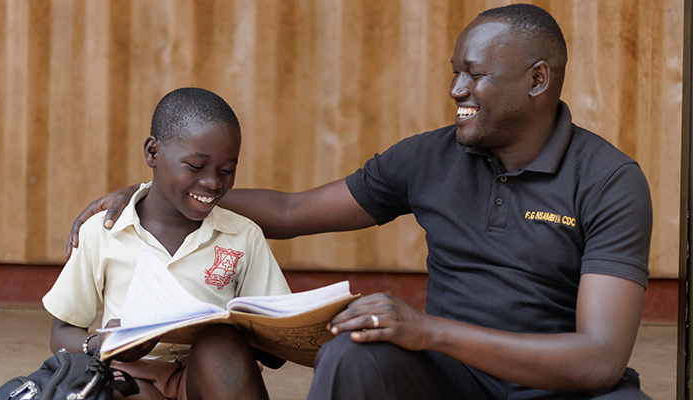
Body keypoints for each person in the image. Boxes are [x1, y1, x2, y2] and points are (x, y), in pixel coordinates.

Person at [66, 4, 652, 399]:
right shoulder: (430, 156)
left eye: (473, 75)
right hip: (449, 379)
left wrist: (430, 331)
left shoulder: (608, 180)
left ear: (537, 79)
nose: (456, 90)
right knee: (353, 353)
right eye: (455, 73)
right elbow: (295, 213)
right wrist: (163, 198)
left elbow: (599, 358)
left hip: (556, 382)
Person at [45, 87, 291, 400]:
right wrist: (104, 344)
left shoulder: (243, 236)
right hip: (130, 377)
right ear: (152, 153)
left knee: (219, 345)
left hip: (206, 381)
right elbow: (61, 331)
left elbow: (277, 349)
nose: (214, 182)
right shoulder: (103, 231)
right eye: (195, 166)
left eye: (227, 170)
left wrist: (240, 336)